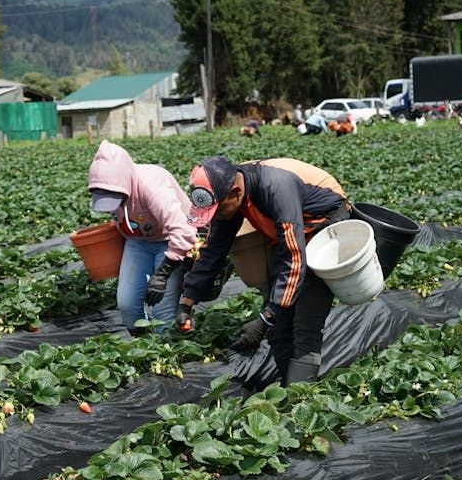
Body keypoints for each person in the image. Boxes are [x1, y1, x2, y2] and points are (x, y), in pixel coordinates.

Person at [176, 155, 350, 385]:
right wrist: (187, 301)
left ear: (236, 193)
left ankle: (303, 400)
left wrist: (265, 318)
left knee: (305, 321)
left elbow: (295, 259)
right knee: (279, 328)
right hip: (290, 235)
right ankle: (290, 389)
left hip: (325, 230)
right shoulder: (230, 194)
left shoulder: (276, 188)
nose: (216, 217)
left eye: (217, 211)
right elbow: (213, 250)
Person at [87, 140, 199, 335]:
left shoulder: (152, 187)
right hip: (138, 242)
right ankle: (144, 351)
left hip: (170, 241)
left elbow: (183, 230)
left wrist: (162, 274)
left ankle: (168, 353)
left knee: (163, 310)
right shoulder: (108, 186)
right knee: (127, 304)